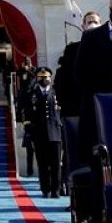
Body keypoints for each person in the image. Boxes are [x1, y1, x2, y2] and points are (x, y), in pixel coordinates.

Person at [21, 66, 63, 197]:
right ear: (37, 78)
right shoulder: (31, 93)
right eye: (41, 77)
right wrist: (28, 127)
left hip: (55, 132)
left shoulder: (57, 92)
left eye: (46, 77)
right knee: (42, 163)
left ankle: (56, 189)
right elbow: (26, 112)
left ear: (50, 78)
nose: (44, 79)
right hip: (39, 133)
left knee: (56, 164)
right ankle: (45, 189)